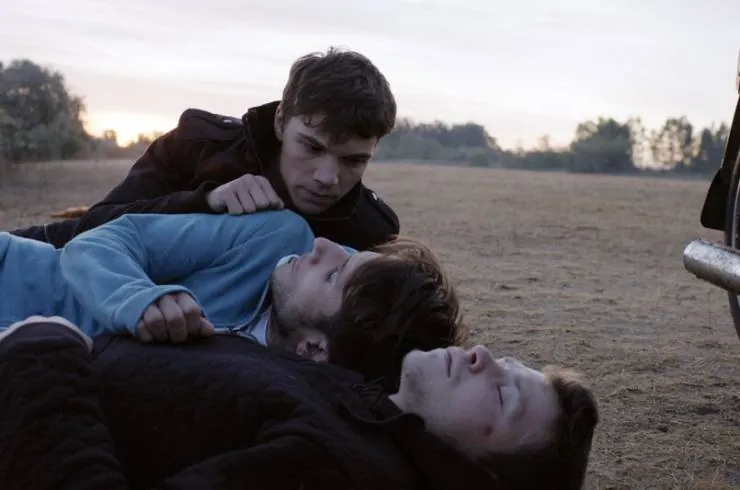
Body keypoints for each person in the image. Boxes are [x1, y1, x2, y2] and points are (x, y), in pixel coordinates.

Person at [0, 316, 599, 490]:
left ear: (480, 475)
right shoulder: (365, 410)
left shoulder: (340, 470)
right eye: (506, 362)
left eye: (502, 392)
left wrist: (42, 354)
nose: (482, 355)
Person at [9, 47, 400, 251]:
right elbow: (95, 227)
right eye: (311, 147)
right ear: (282, 121)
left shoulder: (372, 232)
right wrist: (206, 201)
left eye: (353, 161)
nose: (328, 178)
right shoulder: (199, 144)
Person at [1, 208, 461, 378]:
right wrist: (139, 297)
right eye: (348, 255)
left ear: (314, 349)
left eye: (333, 274)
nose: (322, 245)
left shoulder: (286, 390)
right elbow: (98, 243)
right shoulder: (276, 237)